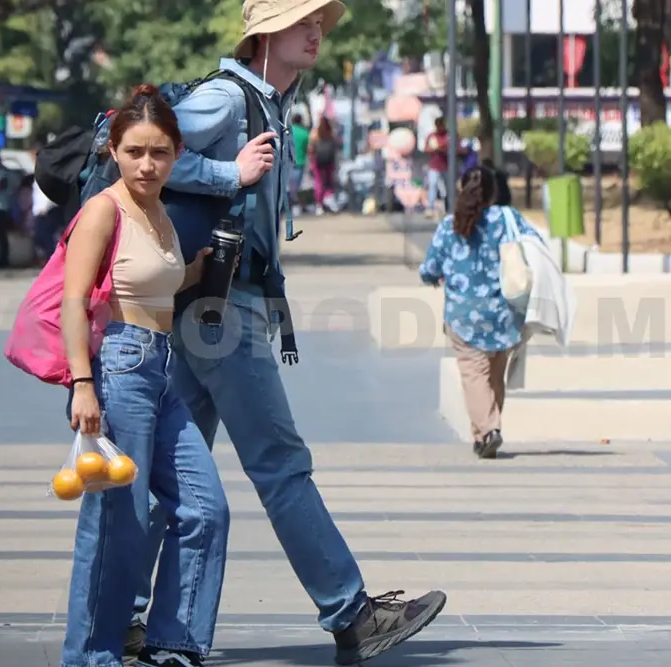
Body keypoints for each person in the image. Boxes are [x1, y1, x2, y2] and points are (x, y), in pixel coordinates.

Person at [131, 2, 447, 666]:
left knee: (175, 469)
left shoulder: (269, 104)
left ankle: (127, 613)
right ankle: (350, 611)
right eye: (302, 21)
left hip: (211, 304)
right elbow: (148, 154)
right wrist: (228, 174)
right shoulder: (225, 99)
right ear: (264, 34)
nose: (316, 32)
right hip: (217, 309)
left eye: (316, 22)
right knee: (279, 462)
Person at [59, 85, 230, 667]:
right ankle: (90, 656)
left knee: (204, 508)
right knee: (117, 521)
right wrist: (84, 385)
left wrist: (199, 269)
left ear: (177, 153)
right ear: (114, 150)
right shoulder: (104, 210)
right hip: (117, 368)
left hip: (160, 367)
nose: (147, 164)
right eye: (135, 151)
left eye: (159, 152)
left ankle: (174, 642)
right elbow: (74, 300)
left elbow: (156, 283)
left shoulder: (158, 212)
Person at [419, 164, 541, 459]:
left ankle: (488, 430)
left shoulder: (449, 225)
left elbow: (429, 269)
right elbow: (536, 244)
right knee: (494, 376)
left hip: (464, 316)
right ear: (493, 192)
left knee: (474, 375)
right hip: (504, 312)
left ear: (462, 189)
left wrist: (434, 277)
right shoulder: (507, 218)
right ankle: (483, 435)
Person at [309, 116, 338, 212]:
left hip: (318, 161)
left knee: (319, 182)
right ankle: (329, 198)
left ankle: (319, 204)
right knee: (329, 181)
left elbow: (311, 149)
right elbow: (335, 147)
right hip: (329, 161)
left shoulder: (315, 133)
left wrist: (311, 161)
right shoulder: (331, 133)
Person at [424, 117, 449, 216]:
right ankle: (430, 207)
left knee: (446, 188)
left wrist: (440, 148)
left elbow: (450, 147)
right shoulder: (432, 136)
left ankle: (448, 207)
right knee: (432, 186)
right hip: (434, 166)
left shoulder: (448, 135)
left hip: (446, 166)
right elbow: (426, 148)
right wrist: (434, 149)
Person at [289, 113, 310, 214]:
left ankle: (289, 205)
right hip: (300, 162)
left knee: (288, 185)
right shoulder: (304, 133)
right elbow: (308, 149)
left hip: (288, 162)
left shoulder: (288, 131)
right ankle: (297, 205)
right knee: (297, 187)